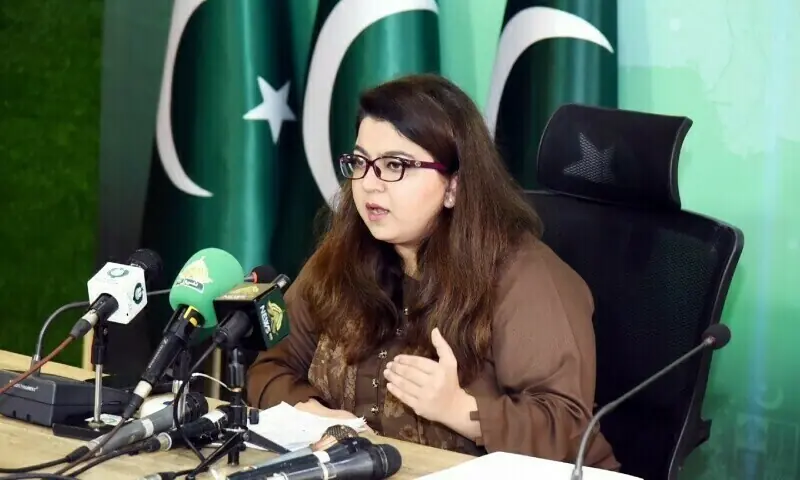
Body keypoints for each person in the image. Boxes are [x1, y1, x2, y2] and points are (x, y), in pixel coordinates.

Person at [245, 73, 619, 470]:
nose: (370, 184)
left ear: (454, 186)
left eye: (395, 165)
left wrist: (460, 410)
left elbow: (565, 425)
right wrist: (313, 412)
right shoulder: (342, 256)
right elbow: (271, 365)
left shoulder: (525, 276)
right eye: (360, 162)